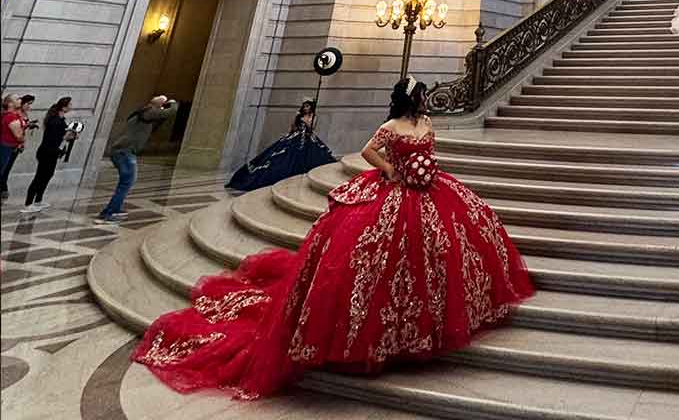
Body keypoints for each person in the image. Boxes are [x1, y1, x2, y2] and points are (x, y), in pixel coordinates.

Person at [133, 77, 535, 400]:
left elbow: (429, 150)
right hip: (393, 192)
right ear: (410, 100)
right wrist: (395, 171)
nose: (426, 101)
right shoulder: (391, 126)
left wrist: (425, 169)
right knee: (368, 262)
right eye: (422, 96)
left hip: (429, 192)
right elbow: (368, 151)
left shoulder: (427, 124)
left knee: (443, 249)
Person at [96, 95, 178, 223]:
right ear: (157, 105)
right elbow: (170, 112)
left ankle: (110, 210)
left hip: (121, 151)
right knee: (126, 183)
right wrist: (173, 103)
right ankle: (110, 212)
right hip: (125, 152)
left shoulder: (142, 114)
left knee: (125, 183)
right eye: (162, 104)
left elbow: (156, 123)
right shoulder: (148, 112)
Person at [226, 100, 336, 193]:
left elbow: (312, 128)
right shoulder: (299, 115)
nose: (306, 108)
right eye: (305, 106)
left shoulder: (313, 117)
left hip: (308, 140)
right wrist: (298, 120)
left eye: (308, 106)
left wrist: (308, 120)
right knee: (277, 158)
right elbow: (293, 127)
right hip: (295, 138)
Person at [21, 97, 75, 214]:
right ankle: (28, 203)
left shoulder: (60, 119)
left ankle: (38, 200)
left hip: (51, 152)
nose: (72, 106)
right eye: (70, 104)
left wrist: (70, 135)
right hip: (47, 152)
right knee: (40, 177)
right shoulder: (55, 120)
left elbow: (62, 135)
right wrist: (66, 137)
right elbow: (54, 139)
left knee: (47, 175)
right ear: (64, 107)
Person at [0, 94, 27, 201]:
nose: (20, 100)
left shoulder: (11, 115)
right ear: (10, 103)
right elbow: (18, 136)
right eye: (17, 98)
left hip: (9, 147)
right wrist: (23, 139)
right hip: (6, 147)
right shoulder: (11, 116)